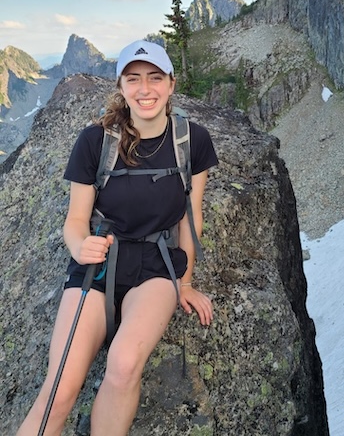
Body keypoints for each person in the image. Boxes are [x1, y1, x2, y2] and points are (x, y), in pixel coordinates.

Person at [17, 40, 218, 435]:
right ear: (121, 87)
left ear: (171, 84)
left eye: (155, 78)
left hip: (157, 266)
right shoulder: (96, 141)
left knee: (124, 367)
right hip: (99, 262)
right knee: (59, 390)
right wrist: (79, 245)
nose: (145, 89)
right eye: (134, 79)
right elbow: (76, 220)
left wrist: (187, 281)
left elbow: (191, 220)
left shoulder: (192, 141)